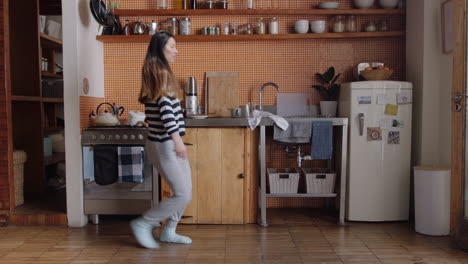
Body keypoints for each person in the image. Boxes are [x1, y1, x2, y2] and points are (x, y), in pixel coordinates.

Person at [131, 31, 192, 249]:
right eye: (172, 46)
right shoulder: (161, 73)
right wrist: (177, 140)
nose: (176, 50)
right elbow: (166, 110)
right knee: (183, 193)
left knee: (186, 192)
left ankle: (169, 232)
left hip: (165, 141)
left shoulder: (157, 72)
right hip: (165, 143)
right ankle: (144, 223)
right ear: (161, 49)